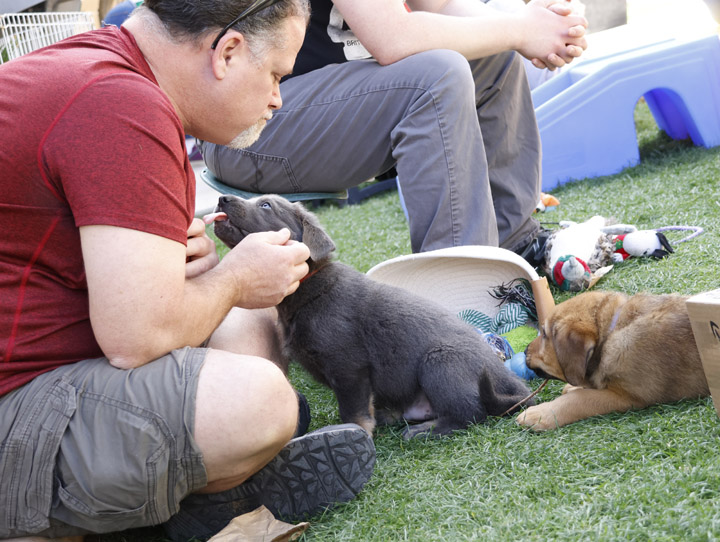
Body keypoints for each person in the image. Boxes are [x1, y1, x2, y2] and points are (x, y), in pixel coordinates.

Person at [0, 1, 375, 540]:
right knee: (261, 402)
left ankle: (190, 495)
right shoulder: (121, 104)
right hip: (17, 412)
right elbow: (134, 337)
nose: (277, 98)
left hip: (37, 374)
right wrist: (233, 280)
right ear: (227, 51)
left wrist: (183, 271)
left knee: (251, 322)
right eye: (275, 75)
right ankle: (142, 512)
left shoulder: (104, 74)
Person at [198, 0, 589, 263]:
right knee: (436, 76)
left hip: (304, 109)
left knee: (492, 55)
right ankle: (457, 294)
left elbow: (438, 6)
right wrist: (521, 27)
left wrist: (543, 28)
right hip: (245, 129)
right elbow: (394, 37)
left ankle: (513, 246)